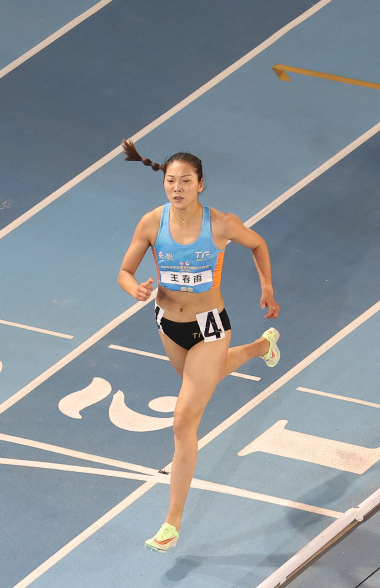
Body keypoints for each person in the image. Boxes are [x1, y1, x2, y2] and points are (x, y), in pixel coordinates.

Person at [117, 140, 280, 553]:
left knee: (183, 420)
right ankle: (262, 347)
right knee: (206, 378)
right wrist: (135, 288)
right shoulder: (151, 223)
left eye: (185, 181)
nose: (177, 188)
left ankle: (172, 520)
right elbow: (123, 270)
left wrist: (266, 285)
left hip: (209, 327)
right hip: (167, 324)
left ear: (201, 185)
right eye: (171, 181)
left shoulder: (221, 224)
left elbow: (258, 244)